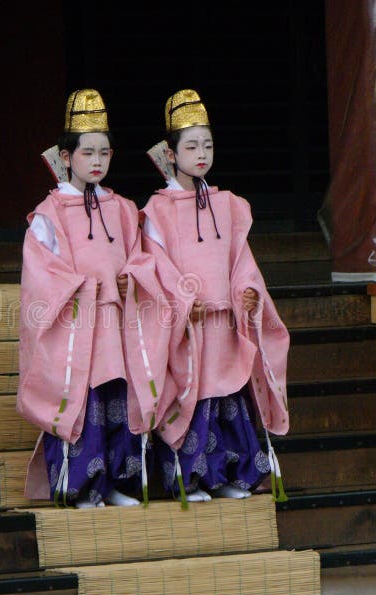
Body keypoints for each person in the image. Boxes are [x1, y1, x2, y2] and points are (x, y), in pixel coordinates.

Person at [17, 89, 170, 509]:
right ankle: (82, 486)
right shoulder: (50, 214)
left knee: (120, 398)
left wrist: (132, 280)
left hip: (118, 321)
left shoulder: (122, 209)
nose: (97, 161)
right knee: (84, 401)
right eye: (88, 153)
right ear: (66, 158)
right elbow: (40, 272)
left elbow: (141, 257)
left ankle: (119, 481)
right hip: (76, 323)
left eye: (104, 152)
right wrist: (82, 287)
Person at [141, 89, 290, 506]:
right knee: (196, 393)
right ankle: (189, 479)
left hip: (225, 322)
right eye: (191, 146)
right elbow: (157, 265)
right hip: (191, 323)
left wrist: (248, 292)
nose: (201, 153)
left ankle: (233, 475)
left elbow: (241, 258)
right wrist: (184, 300)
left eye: (207, 144)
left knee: (229, 393)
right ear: (170, 154)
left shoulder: (229, 204)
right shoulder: (157, 210)